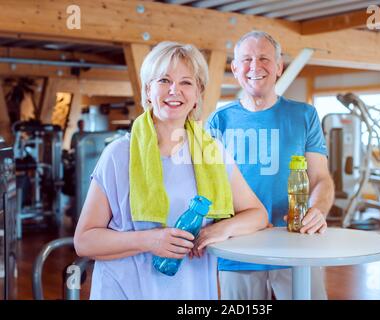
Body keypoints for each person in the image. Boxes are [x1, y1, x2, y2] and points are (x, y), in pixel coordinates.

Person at [74, 41, 268, 300]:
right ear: (148, 90)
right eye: (164, 80)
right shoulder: (119, 154)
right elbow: (84, 241)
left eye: (186, 82)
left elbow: (257, 214)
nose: (174, 90)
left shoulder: (212, 152)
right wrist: (149, 240)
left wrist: (220, 229)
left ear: (198, 93)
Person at [206, 31, 335, 300]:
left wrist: (319, 210)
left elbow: (321, 178)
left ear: (279, 67)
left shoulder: (305, 115)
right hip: (237, 250)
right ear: (235, 68)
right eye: (246, 59)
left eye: (264, 58)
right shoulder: (219, 121)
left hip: (297, 242)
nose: (255, 66)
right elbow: (207, 187)